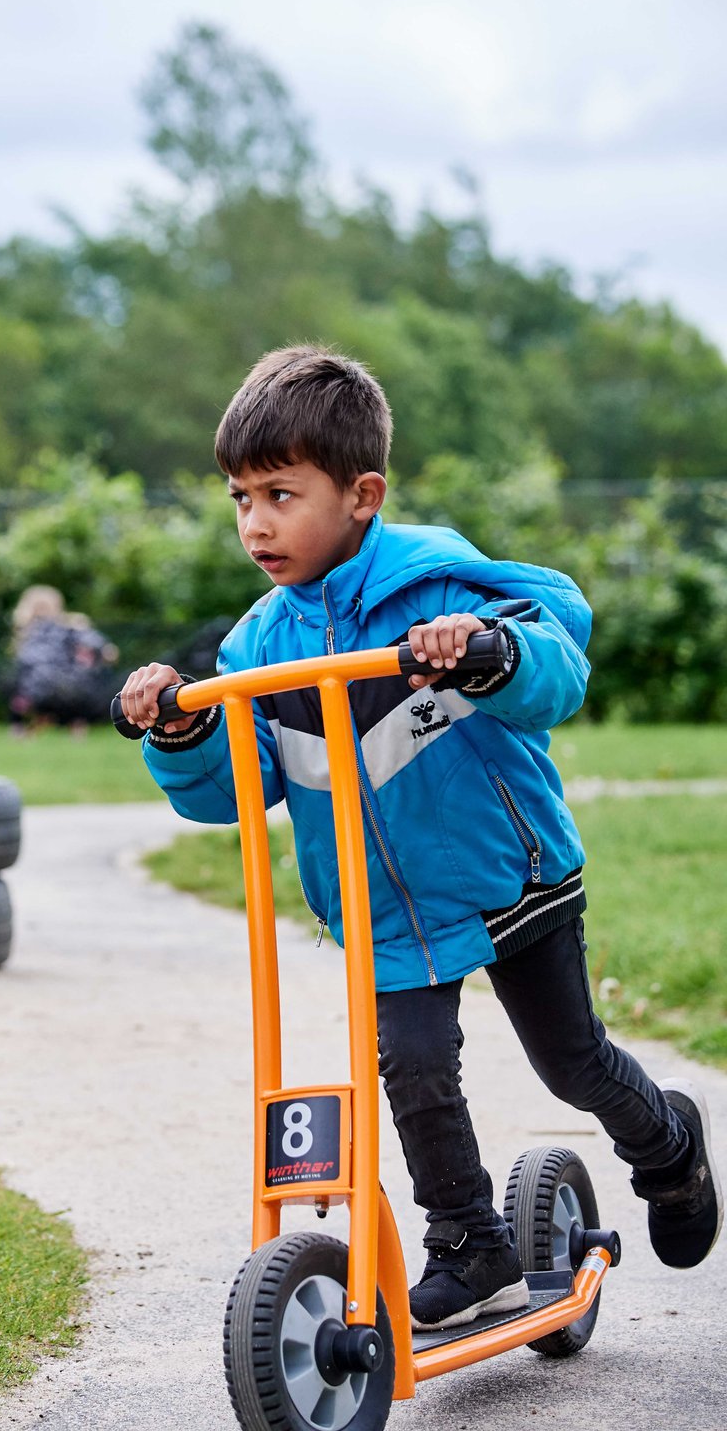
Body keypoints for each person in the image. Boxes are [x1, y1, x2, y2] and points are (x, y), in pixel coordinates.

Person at [119, 345, 722, 1331]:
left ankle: (665, 1144)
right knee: (412, 1066)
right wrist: (181, 729)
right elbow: (233, 791)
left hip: (508, 873)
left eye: (281, 493)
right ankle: (469, 1241)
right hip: (382, 905)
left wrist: (487, 653)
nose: (256, 524)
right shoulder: (258, 644)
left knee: (568, 1063)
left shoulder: (435, 580)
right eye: (239, 499)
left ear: (361, 495)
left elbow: (556, 656)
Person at [10, 585, 118, 733]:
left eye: (45, 607)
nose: (43, 613)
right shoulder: (37, 632)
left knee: (26, 688)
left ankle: (25, 725)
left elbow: (99, 646)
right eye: (39, 608)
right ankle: (72, 723)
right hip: (58, 686)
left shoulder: (66, 627)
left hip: (50, 687)